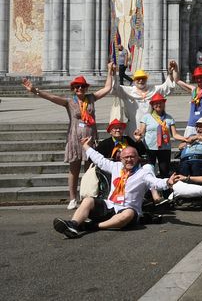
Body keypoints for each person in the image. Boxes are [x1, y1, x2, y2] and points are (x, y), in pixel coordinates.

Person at [22, 63, 114, 209]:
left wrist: (110, 71)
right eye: (77, 87)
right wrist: (34, 90)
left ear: (86, 88)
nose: (80, 89)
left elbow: (107, 88)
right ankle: (72, 198)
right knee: (74, 169)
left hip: (90, 140)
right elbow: (51, 97)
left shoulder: (91, 98)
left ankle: (88, 196)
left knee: (90, 169)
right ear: (73, 89)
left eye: (82, 86)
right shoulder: (69, 102)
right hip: (75, 140)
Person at [53, 138, 179, 238]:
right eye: (126, 157)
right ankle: (73, 224)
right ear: (121, 158)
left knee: (127, 214)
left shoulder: (143, 173)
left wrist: (167, 182)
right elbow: (99, 160)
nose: (129, 160)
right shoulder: (116, 167)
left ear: (137, 158)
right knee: (88, 200)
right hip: (110, 205)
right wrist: (86, 146)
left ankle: (93, 226)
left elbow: (155, 182)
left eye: (132, 157)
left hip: (127, 210)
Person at [138, 93, 186, 203]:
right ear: (152, 105)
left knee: (164, 172)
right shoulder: (146, 117)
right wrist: (138, 134)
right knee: (149, 172)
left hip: (164, 149)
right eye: (155, 103)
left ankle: (166, 195)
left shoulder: (169, 118)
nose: (158, 105)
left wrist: (186, 138)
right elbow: (141, 131)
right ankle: (152, 195)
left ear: (164, 104)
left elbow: (174, 135)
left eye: (160, 103)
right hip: (150, 148)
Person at [114, 62, 177, 138]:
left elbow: (168, 87)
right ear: (134, 80)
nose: (141, 81)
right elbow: (114, 88)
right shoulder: (128, 91)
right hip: (133, 126)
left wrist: (170, 73)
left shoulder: (153, 89)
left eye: (143, 78)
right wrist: (113, 73)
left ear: (146, 79)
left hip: (151, 126)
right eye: (138, 79)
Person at [174, 65, 202, 136]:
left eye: (201, 77)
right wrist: (175, 68)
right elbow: (177, 80)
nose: (199, 79)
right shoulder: (193, 90)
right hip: (191, 124)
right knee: (189, 146)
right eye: (197, 78)